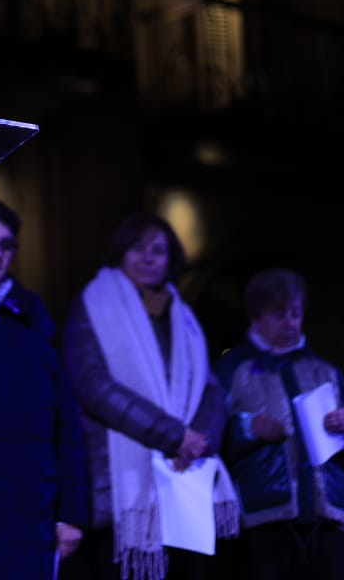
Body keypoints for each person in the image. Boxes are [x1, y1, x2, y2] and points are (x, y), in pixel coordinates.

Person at [62, 212, 240, 580]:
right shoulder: (94, 304)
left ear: (170, 260)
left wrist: (197, 443)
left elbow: (208, 388)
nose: (147, 257)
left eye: (158, 250)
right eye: (137, 248)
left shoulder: (183, 315)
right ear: (119, 253)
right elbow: (94, 385)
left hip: (182, 477)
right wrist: (174, 436)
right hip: (120, 481)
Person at [0, 193, 90, 579]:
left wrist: (71, 513)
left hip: (30, 510)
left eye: (5, 244)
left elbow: (66, 424)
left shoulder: (30, 315)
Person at [213, 268, 344, 580]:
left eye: (296, 313)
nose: (290, 323)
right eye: (279, 314)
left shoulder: (325, 371)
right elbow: (210, 437)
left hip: (326, 519)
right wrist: (249, 429)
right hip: (264, 518)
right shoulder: (231, 370)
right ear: (255, 318)